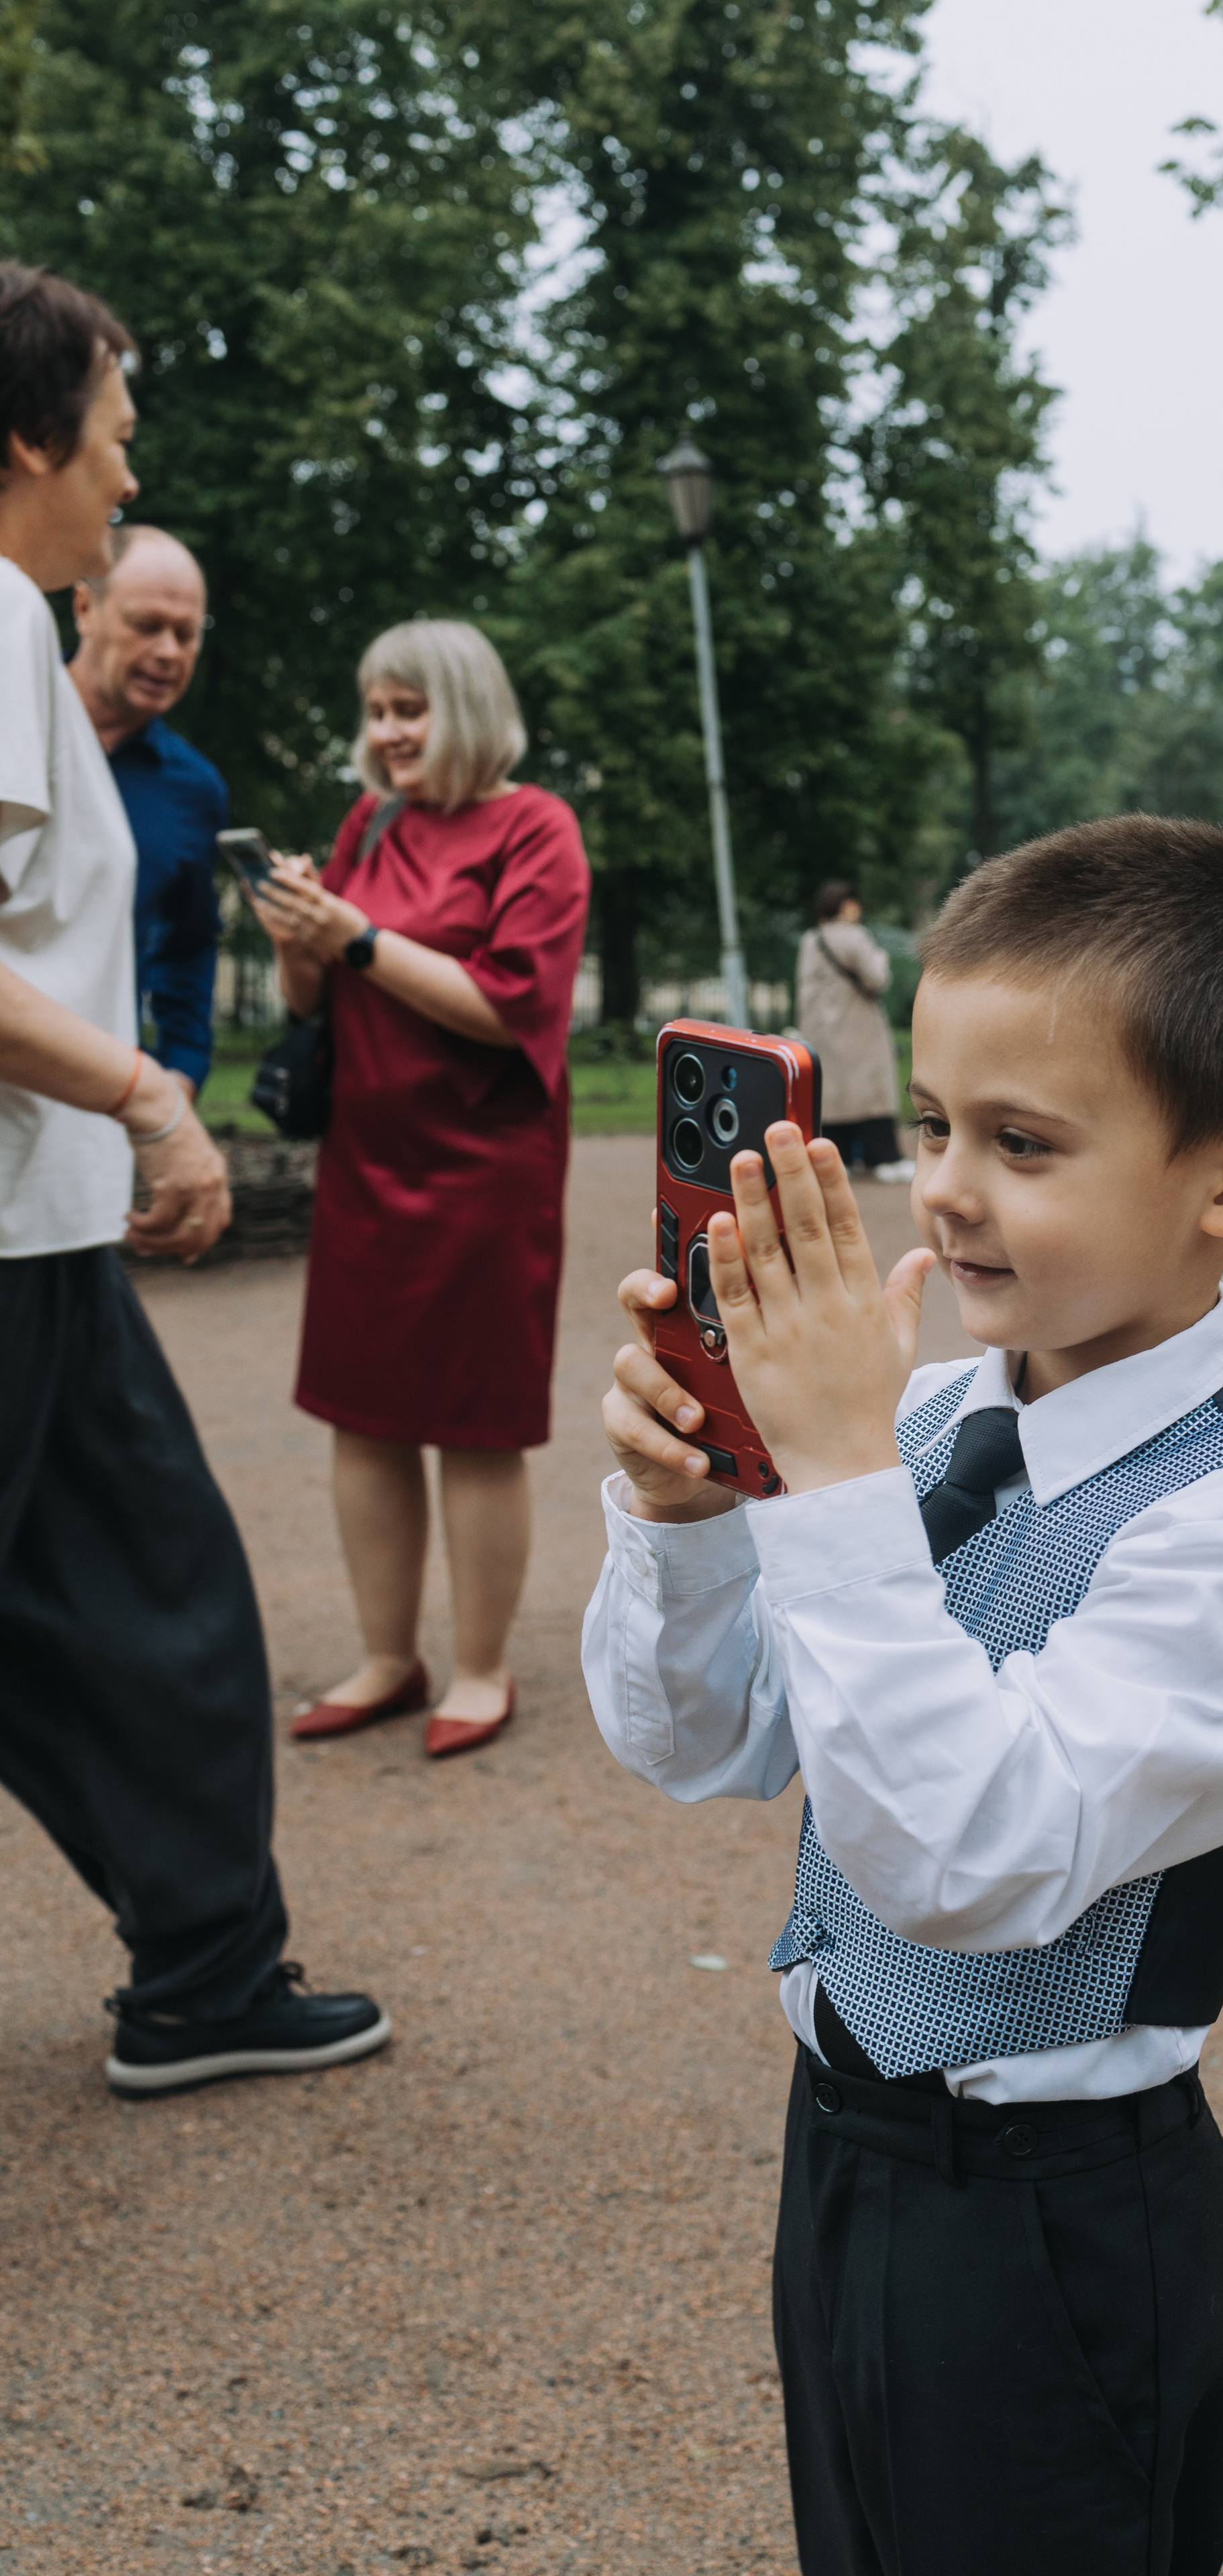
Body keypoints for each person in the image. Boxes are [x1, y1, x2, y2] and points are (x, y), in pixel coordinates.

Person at [584, 818, 1223, 2576]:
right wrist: (692, 1514)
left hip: (1060, 2222)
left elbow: (974, 1854)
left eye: (1023, 1144)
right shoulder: (932, 1429)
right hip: (843, 2156)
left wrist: (839, 1487)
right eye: (933, 1124)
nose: (943, 1188)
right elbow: (705, 1736)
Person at [0, 258, 386, 2094]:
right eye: (115, 440)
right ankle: (212, 1969)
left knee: (154, 1604)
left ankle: (211, 1971)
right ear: (27, 438)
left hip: (38, 1229)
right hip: (15, 1223)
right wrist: (157, 1099)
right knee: (159, 1602)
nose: (124, 478)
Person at [253, 621, 589, 1760]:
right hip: (366, 1156)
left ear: (468, 706)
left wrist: (353, 936)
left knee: (477, 1427)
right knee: (364, 1414)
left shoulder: (537, 826)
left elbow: (511, 1005)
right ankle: (386, 1658)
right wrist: (299, 936)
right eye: (376, 710)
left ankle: (482, 1667)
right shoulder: (370, 822)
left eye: (410, 708)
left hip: (483, 1168)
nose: (387, 733)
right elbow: (315, 1005)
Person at [67, 523, 225, 1097]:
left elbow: (190, 940)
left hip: (94, 1100)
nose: (167, 652)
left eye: (186, 634)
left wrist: (183, 1065)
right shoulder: (14, 724)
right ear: (85, 607)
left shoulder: (195, 789)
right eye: (146, 626)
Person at [794, 879, 914, 1181]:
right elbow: (876, 979)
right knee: (871, 1091)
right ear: (846, 905)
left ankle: (840, 1156)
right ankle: (883, 1156)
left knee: (832, 1095)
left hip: (822, 1030)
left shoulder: (811, 940)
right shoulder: (854, 936)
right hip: (857, 1027)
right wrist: (880, 959)